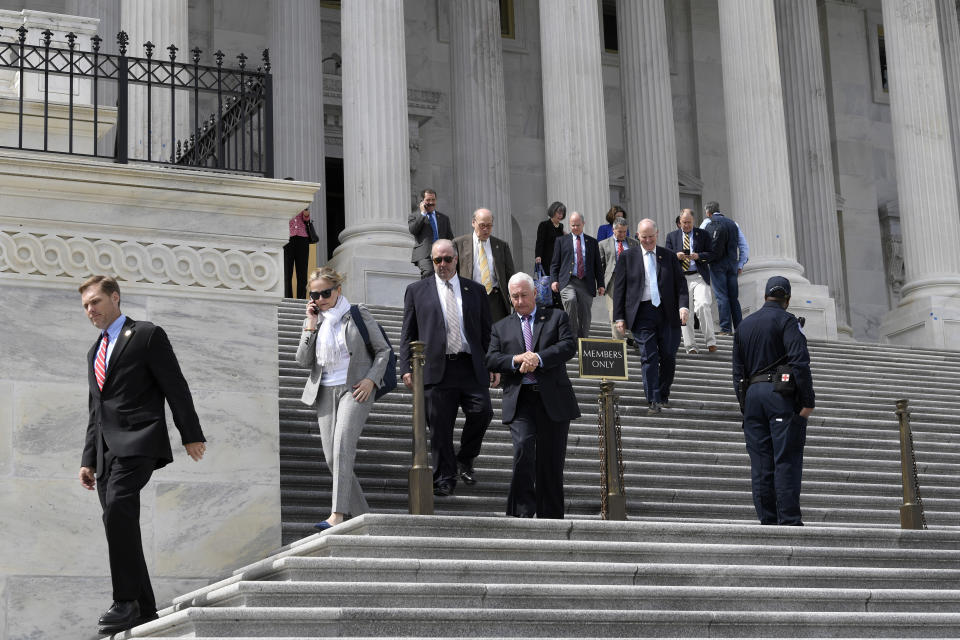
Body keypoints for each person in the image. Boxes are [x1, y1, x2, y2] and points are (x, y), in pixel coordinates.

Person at [77, 275, 206, 636]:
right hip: (105, 453)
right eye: (85, 306)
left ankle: (124, 601)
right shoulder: (94, 351)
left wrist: (190, 434)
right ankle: (145, 608)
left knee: (118, 506)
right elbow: (95, 410)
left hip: (139, 440)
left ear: (115, 298)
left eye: (95, 302)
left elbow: (174, 385)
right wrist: (88, 459)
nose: (90, 311)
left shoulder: (147, 335)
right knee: (119, 522)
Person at [295, 266, 391, 531]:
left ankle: (337, 514)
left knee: (342, 448)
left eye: (326, 292)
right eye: (314, 295)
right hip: (324, 391)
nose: (320, 299)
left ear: (338, 290)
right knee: (331, 457)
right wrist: (310, 325)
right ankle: (364, 518)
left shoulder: (358, 314)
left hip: (355, 388)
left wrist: (371, 379)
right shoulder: (316, 320)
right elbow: (303, 360)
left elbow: (383, 350)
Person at [399, 239, 498, 495]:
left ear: (456, 259)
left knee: (483, 412)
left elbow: (487, 331)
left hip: (469, 365)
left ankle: (465, 457)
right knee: (440, 427)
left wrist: (493, 362)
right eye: (437, 260)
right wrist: (405, 367)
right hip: (435, 368)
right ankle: (444, 478)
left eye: (447, 259)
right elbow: (407, 332)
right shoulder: (416, 291)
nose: (442, 264)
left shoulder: (475, 290)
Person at [485, 272, 579, 518]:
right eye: (514, 296)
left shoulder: (556, 317)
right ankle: (522, 513)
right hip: (521, 400)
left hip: (553, 399)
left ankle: (551, 516)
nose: (519, 301)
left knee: (551, 460)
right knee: (523, 451)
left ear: (535, 293)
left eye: (523, 295)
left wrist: (538, 358)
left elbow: (568, 346)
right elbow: (492, 358)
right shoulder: (500, 327)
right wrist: (516, 360)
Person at [732, 276, 815, 526]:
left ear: (765, 296)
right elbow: (799, 361)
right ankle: (788, 519)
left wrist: (744, 405)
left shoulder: (744, 325)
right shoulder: (787, 321)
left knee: (760, 463)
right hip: (779, 394)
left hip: (753, 396)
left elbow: (737, 372)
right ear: (787, 299)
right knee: (785, 458)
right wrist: (807, 401)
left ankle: (767, 519)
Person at [613, 219, 689, 414]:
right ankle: (653, 399)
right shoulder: (627, 257)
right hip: (642, 313)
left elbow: (680, 285)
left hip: (667, 313)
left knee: (669, 356)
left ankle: (663, 393)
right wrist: (619, 317)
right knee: (649, 356)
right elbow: (619, 289)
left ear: (658, 234)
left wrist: (683, 307)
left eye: (651, 237)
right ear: (637, 235)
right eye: (643, 237)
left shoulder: (669, 256)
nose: (647, 241)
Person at [665, 209, 717, 354]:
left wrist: (698, 256)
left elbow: (712, 254)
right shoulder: (672, 236)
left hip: (699, 275)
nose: (686, 225)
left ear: (693, 221)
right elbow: (666, 256)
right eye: (684, 223)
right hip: (681, 278)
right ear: (679, 222)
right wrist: (677, 256)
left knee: (703, 305)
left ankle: (710, 341)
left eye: (689, 222)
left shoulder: (703, 234)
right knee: (685, 311)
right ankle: (691, 346)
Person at [453, 207, 517, 322]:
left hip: (495, 299)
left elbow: (510, 274)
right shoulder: (459, 244)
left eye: (489, 226)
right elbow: (453, 272)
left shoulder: (501, 245)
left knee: (496, 335)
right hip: (469, 296)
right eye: (482, 225)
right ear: (473, 223)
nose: (486, 229)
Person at [550, 211, 604, 339]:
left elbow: (598, 266)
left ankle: (583, 341)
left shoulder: (592, 242)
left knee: (585, 313)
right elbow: (554, 264)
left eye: (577, 225)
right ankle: (571, 338)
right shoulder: (561, 241)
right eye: (572, 225)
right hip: (568, 281)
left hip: (586, 282)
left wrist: (601, 284)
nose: (575, 228)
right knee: (570, 300)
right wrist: (553, 280)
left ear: (583, 224)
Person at [701, 201, 748, 334]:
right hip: (732, 265)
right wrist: (740, 264)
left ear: (708, 212)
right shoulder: (734, 224)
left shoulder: (706, 223)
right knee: (734, 297)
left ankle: (726, 328)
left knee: (721, 296)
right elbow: (744, 247)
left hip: (717, 264)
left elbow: (698, 244)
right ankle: (740, 329)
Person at [598, 217, 638, 343]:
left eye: (625, 231)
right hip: (613, 280)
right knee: (614, 311)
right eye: (620, 231)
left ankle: (633, 337)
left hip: (631, 280)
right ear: (613, 230)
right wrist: (600, 284)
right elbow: (600, 266)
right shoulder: (603, 244)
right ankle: (618, 342)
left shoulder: (634, 243)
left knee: (632, 308)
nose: (622, 234)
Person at [408, 188, 454, 279]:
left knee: (444, 277)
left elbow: (450, 238)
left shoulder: (444, 218)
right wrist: (423, 214)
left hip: (442, 254)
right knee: (429, 273)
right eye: (428, 200)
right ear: (422, 202)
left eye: (433, 200)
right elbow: (413, 230)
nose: (431, 202)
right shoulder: (415, 216)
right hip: (425, 254)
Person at [535, 201, 566, 308]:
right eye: (558, 212)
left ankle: (558, 306)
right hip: (547, 259)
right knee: (548, 282)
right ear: (552, 212)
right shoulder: (544, 225)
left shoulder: (561, 227)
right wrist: (538, 256)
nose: (560, 215)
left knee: (558, 282)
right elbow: (540, 241)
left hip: (559, 260)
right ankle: (549, 305)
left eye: (562, 213)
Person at [284, 207, 314, 299]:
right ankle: (288, 298)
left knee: (302, 271)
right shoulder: (285, 203)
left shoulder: (302, 201)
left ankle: (301, 299)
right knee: (287, 271)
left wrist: (306, 213)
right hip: (288, 238)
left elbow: (306, 219)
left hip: (303, 238)